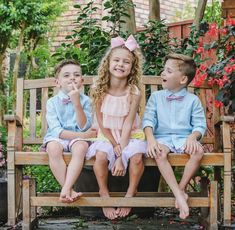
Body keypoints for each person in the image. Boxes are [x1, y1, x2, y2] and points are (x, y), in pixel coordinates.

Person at [87, 35, 146, 219]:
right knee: (101, 156)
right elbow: (101, 125)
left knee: (136, 157)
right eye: (117, 60)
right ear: (108, 63)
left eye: (126, 62)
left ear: (132, 67)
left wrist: (121, 155)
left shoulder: (134, 91)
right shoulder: (98, 89)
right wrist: (114, 146)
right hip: (107, 134)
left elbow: (128, 123)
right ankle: (104, 193)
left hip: (130, 134)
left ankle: (130, 194)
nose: (121, 65)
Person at [143, 53, 206, 219]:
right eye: (164, 70)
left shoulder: (193, 100)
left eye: (168, 71)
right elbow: (148, 121)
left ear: (183, 79)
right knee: (159, 152)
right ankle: (179, 194)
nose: (163, 74)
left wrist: (193, 138)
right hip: (162, 139)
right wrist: (151, 140)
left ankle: (180, 189)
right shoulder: (156, 97)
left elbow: (200, 125)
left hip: (184, 139)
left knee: (198, 152)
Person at [43, 59, 96, 203]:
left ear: (82, 81)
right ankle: (68, 189)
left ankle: (65, 190)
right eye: (66, 75)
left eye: (76, 75)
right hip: (58, 138)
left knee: (81, 147)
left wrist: (77, 103)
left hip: (77, 139)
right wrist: (83, 135)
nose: (72, 78)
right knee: (53, 148)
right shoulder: (52, 102)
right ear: (57, 82)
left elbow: (84, 126)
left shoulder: (86, 101)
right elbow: (57, 131)